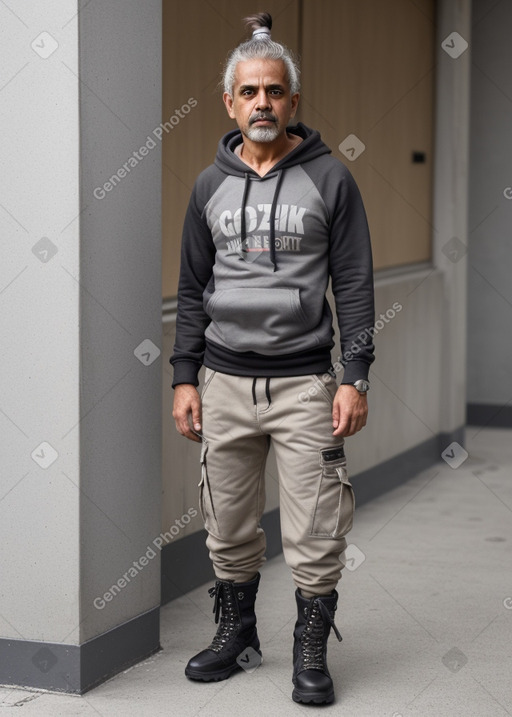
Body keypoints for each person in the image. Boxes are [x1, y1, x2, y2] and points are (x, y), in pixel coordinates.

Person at [170, 11, 375, 705]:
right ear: (230, 102)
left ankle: (310, 648)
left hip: (305, 385)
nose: (263, 102)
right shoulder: (209, 185)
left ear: (293, 101)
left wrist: (356, 376)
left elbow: (352, 283)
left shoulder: (331, 181)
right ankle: (238, 634)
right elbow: (192, 288)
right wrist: (183, 376)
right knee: (225, 523)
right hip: (224, 380)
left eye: (275, 91)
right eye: (250, 91)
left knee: (316, 530)